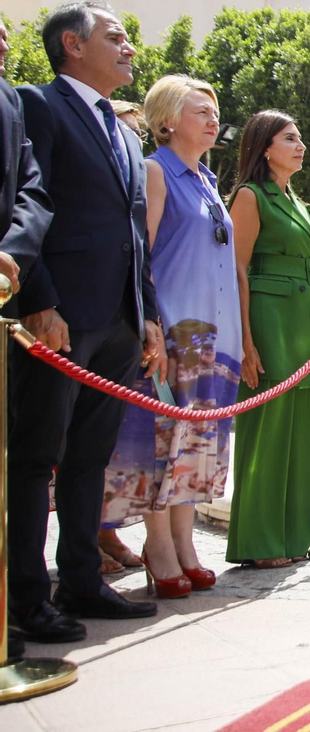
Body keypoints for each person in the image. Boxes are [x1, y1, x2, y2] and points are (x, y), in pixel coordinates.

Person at [10, 0, 164, 642]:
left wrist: (148, 315)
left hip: (119, 321)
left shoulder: (125, 131)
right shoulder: (39, 103)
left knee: (89, 460)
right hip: (59, 318)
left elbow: (135, 232)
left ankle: (81, 579)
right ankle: (26, 595)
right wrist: (39, 301)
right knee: (36, 457)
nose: (129, 46)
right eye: (115, 36)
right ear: (72, 44)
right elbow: (32, 201)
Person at [99, 76, 241, 598]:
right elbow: (143, 253)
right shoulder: (156, 171)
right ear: (166, 120)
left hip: (215, 334)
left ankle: (186, 544)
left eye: (213, 111)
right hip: (174, 330)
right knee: (163, 440)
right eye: (200, 111)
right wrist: (149, 322)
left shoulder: (206, 177)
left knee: (198, 444)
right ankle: (158, 546)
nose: (211, 120)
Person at [225, 110, 310, 568]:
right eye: (290, 138)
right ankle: (259, 542)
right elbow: (236, 269)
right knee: (267, 425)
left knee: (300, 426)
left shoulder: (298, 202)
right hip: (266, 317)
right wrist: (245, 339)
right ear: (265, 147)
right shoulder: (249, 195)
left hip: (300, 317)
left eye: (300, 137)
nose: (300, 145)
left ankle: (291, 536)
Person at [0, 14, 54, 659]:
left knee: (24, 458)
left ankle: (23, 602)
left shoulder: (12, 100)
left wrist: (10, 255)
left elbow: (33, 192)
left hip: (10, 286)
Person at [97, 98, 150, 577]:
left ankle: (103, 534)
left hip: (127, 316)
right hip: (84, 313)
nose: (136, 137)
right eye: (127, 127)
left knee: (106, 439)